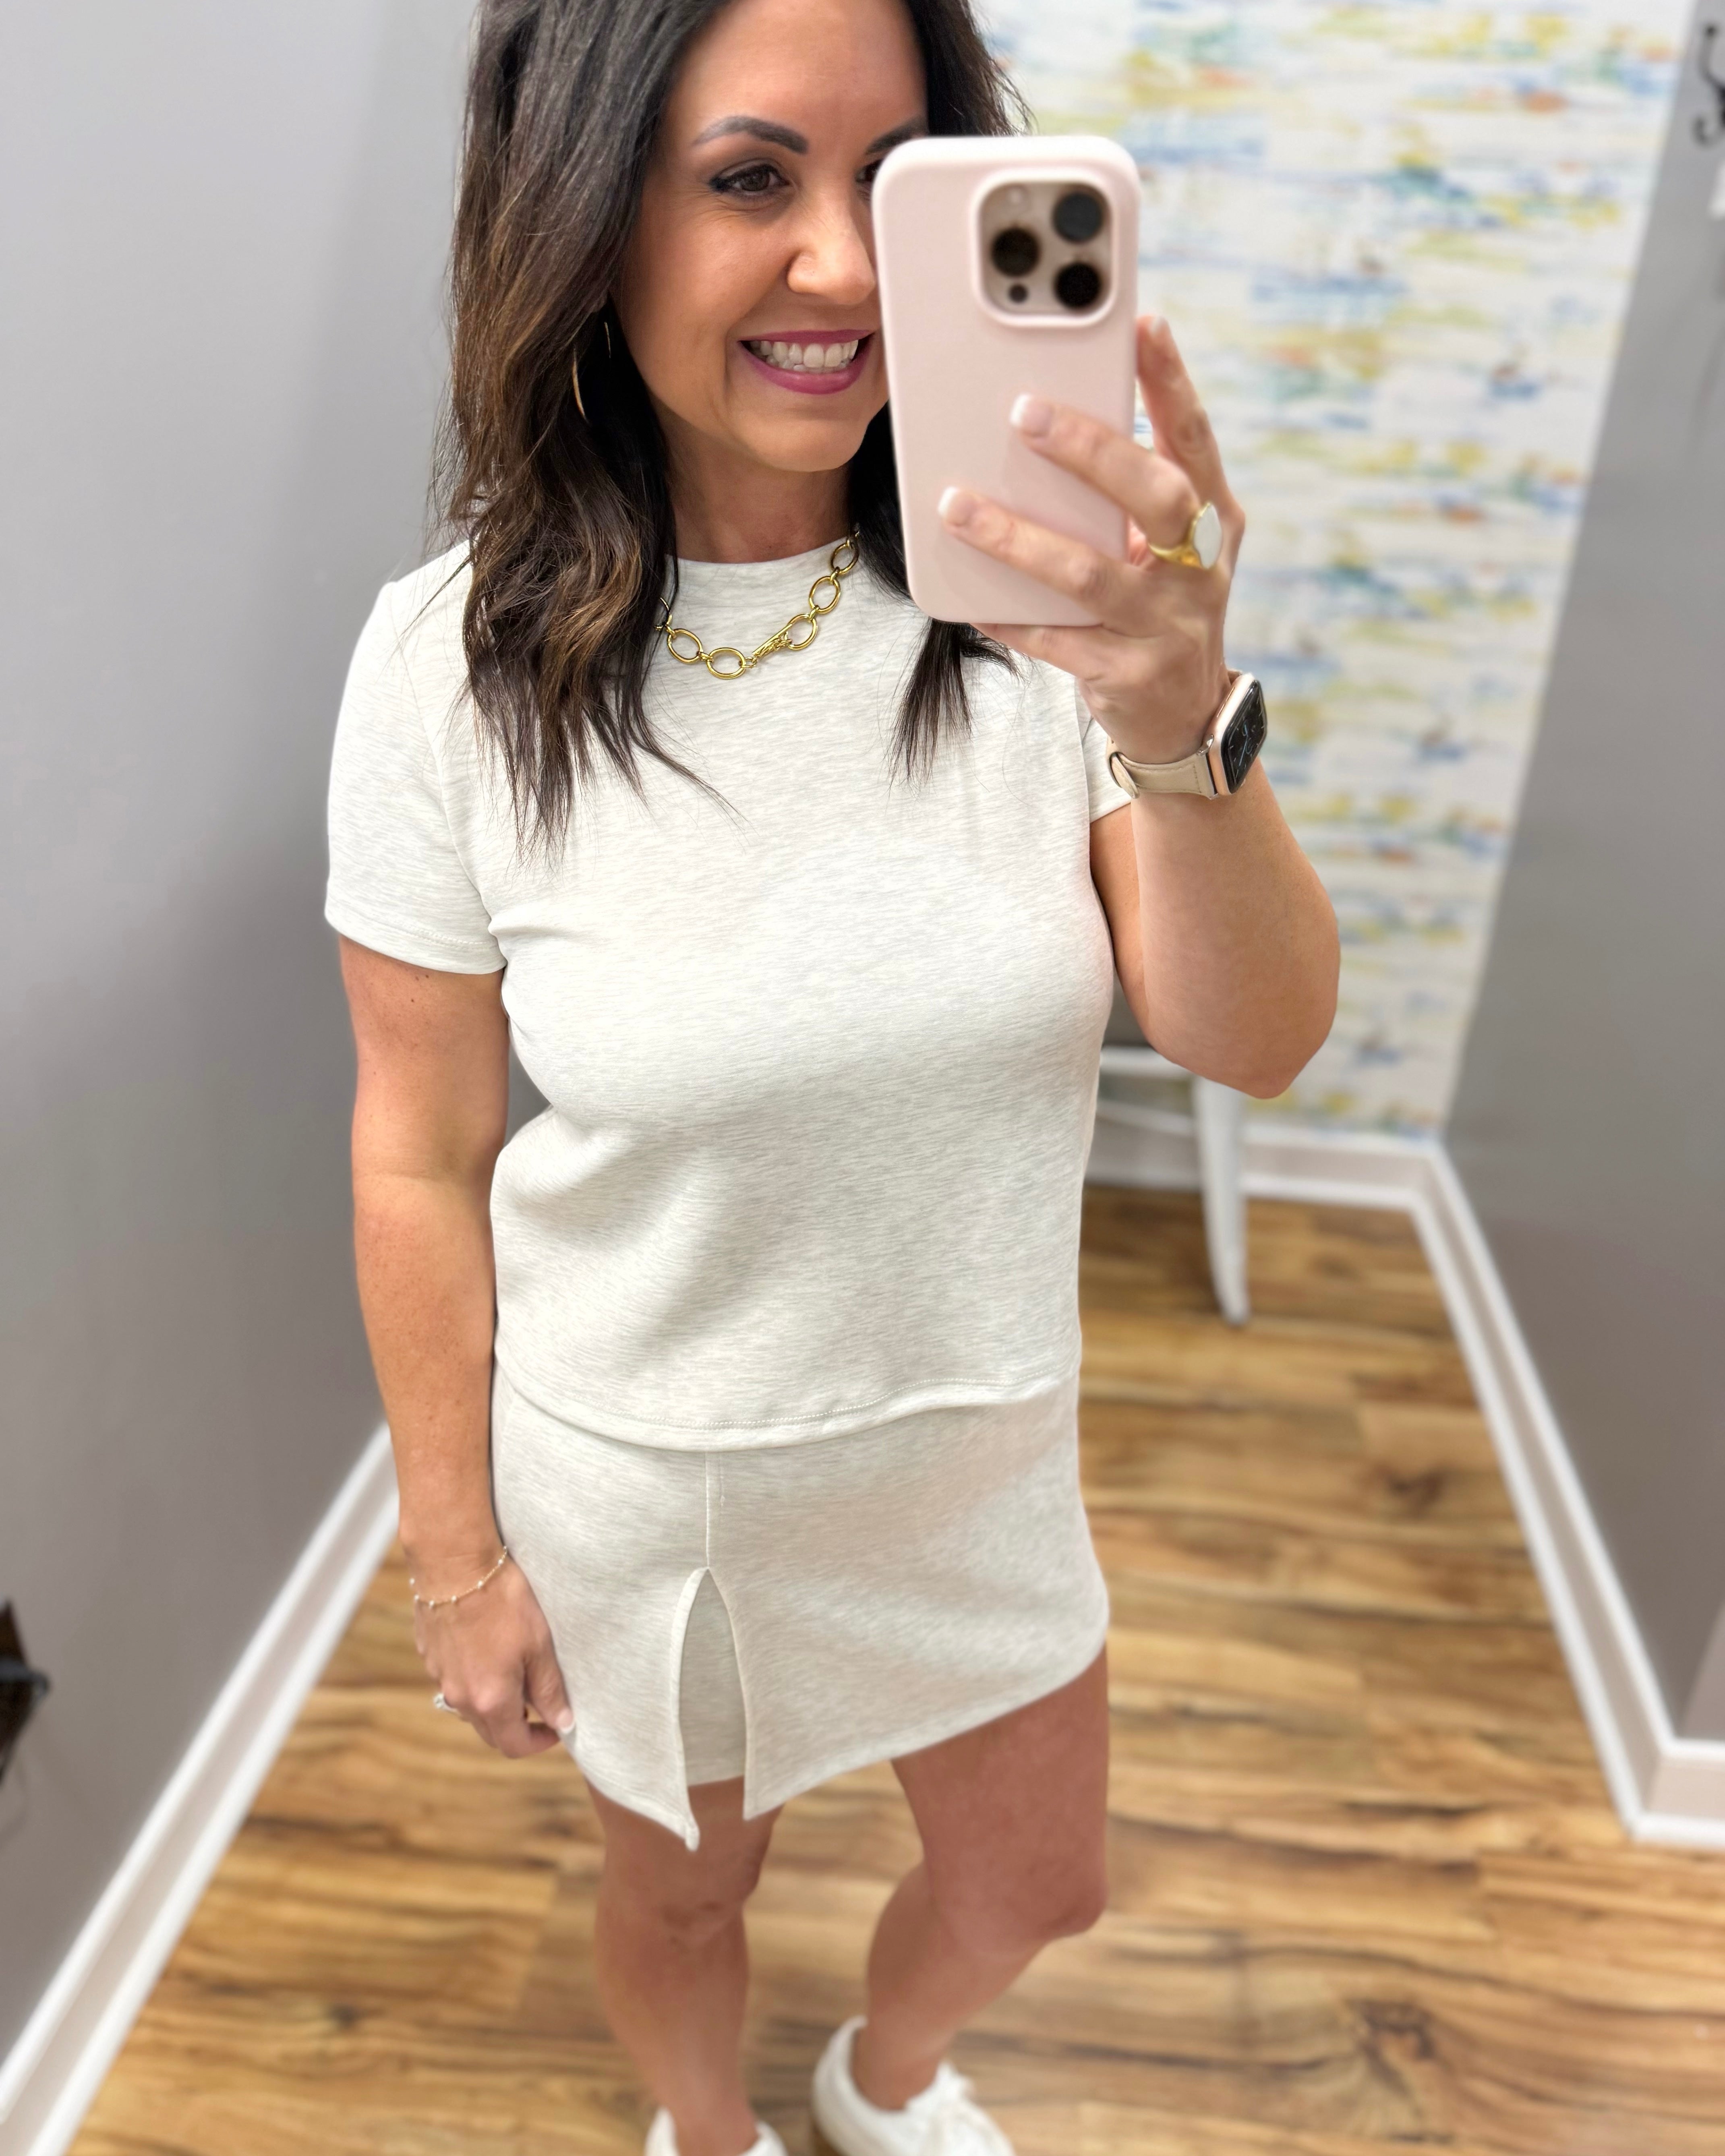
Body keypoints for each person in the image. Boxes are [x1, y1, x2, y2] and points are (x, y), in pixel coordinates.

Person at [325, 0, 1338, 2150]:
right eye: (750, 179)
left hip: (977, 1460)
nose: (850, 269)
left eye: (899, 182)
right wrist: (456, 1552)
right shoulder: (447, 672)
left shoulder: (1050, 599)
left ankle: (882, 2085)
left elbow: (1253, 1040)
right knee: (684, 1900)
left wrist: (1181, 711)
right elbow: (418, 1146)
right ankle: (710, 2138)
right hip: (661, 1491)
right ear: (589, 217)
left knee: (1037, 1884)